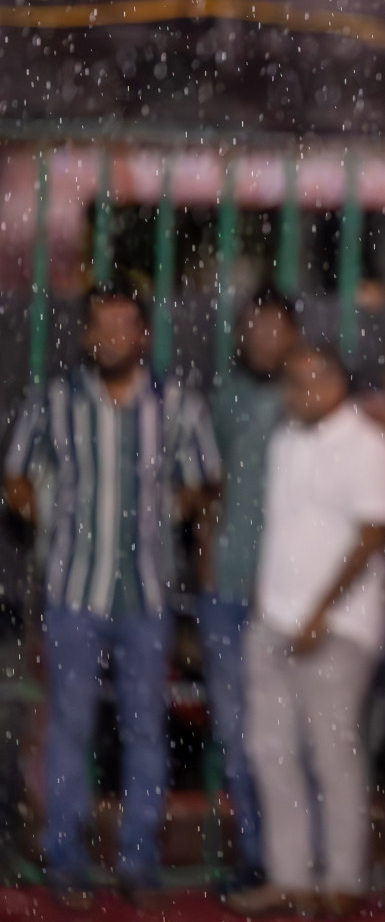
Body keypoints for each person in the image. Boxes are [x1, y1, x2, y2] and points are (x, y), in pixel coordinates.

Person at [3, 284, 222, 910]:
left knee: (144, 730)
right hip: (74, 588)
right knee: (70, 726)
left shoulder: (177, 404)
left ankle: (138, 860)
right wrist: (44, 518)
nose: (114, 337)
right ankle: (66, 857)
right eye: (103, 326)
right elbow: (15, 472)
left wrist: (169, 512)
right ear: (86, 336)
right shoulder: (53, 402)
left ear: (144, 335)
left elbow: (206, 479)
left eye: (126, 325)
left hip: (146, 595)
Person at [231, 345, 385, 918]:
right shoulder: (285, 441)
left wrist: (320, 613)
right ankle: (291, 879)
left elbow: (373, 535)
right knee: (270, 750)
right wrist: (271, 602)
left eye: (308, 383)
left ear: (337, 384)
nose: (297, 394)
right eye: (291, 384)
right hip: (274, 619)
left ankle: (343, 881)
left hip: (339, 626)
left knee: (333, 754)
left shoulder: (371, 447)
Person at [203, 288, 300, 892]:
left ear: (292, 333)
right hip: (232, 588)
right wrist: (207, 566)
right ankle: (258, 856)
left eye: (273, 328)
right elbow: (206, 492)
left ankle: (300, 858)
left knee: (303, 733)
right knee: (240, 734)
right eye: (253, 328)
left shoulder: (311, 397)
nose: (263, 338)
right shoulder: (225, 399)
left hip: (296, 594)